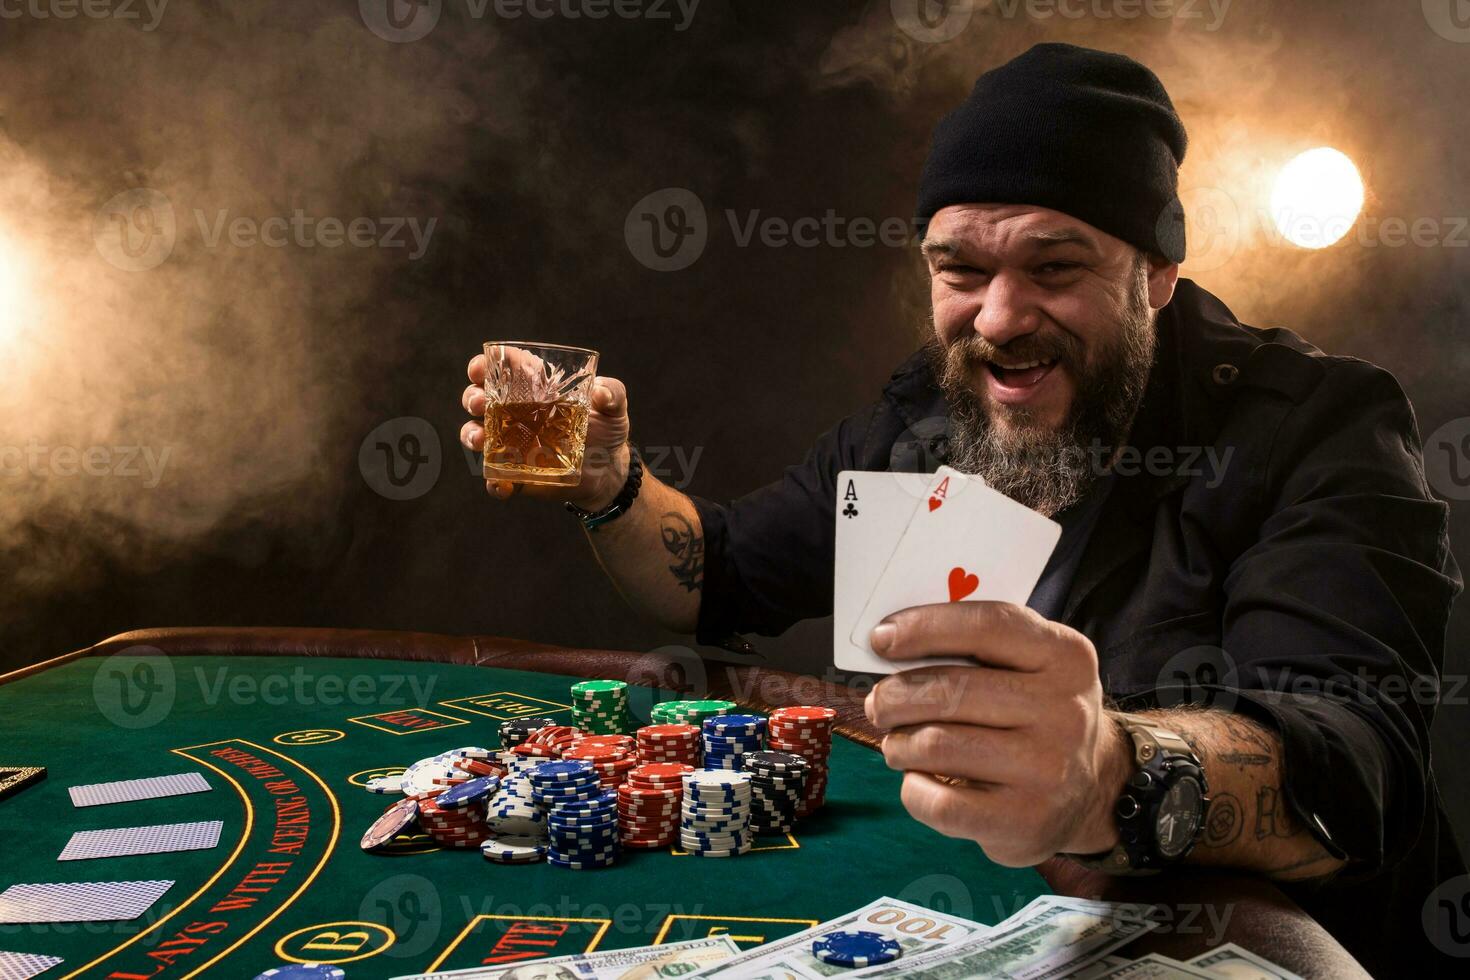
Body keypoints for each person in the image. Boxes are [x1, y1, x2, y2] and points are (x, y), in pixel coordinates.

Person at [459, 43, 1463, 977]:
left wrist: (1108, 771)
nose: (999, 318)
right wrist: (612, 487)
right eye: (962, 270)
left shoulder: (1314, 425)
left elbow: (1356, 766)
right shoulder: (920, 420)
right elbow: (716, 573)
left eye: (1055, 268)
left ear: (1157, 275)